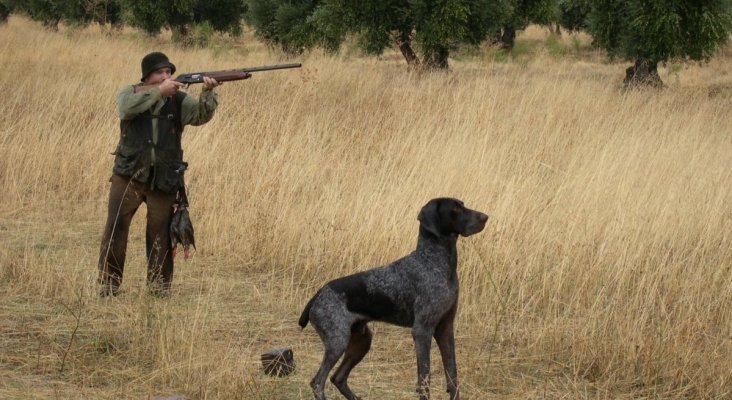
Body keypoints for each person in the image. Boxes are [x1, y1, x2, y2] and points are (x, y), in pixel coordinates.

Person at [98, 51, 221, 297]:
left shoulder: (178, 100)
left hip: (164, 177)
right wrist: (159, 92)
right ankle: (109, 285)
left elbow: (199, 115)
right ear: (147, 76)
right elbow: (125, 109)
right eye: (160, 72)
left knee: (161, 235)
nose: (166, 76)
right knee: (116, 228)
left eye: (169, 72)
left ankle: (158, 289)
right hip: (129, 173)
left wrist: (208, 92)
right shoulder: (129, 93)